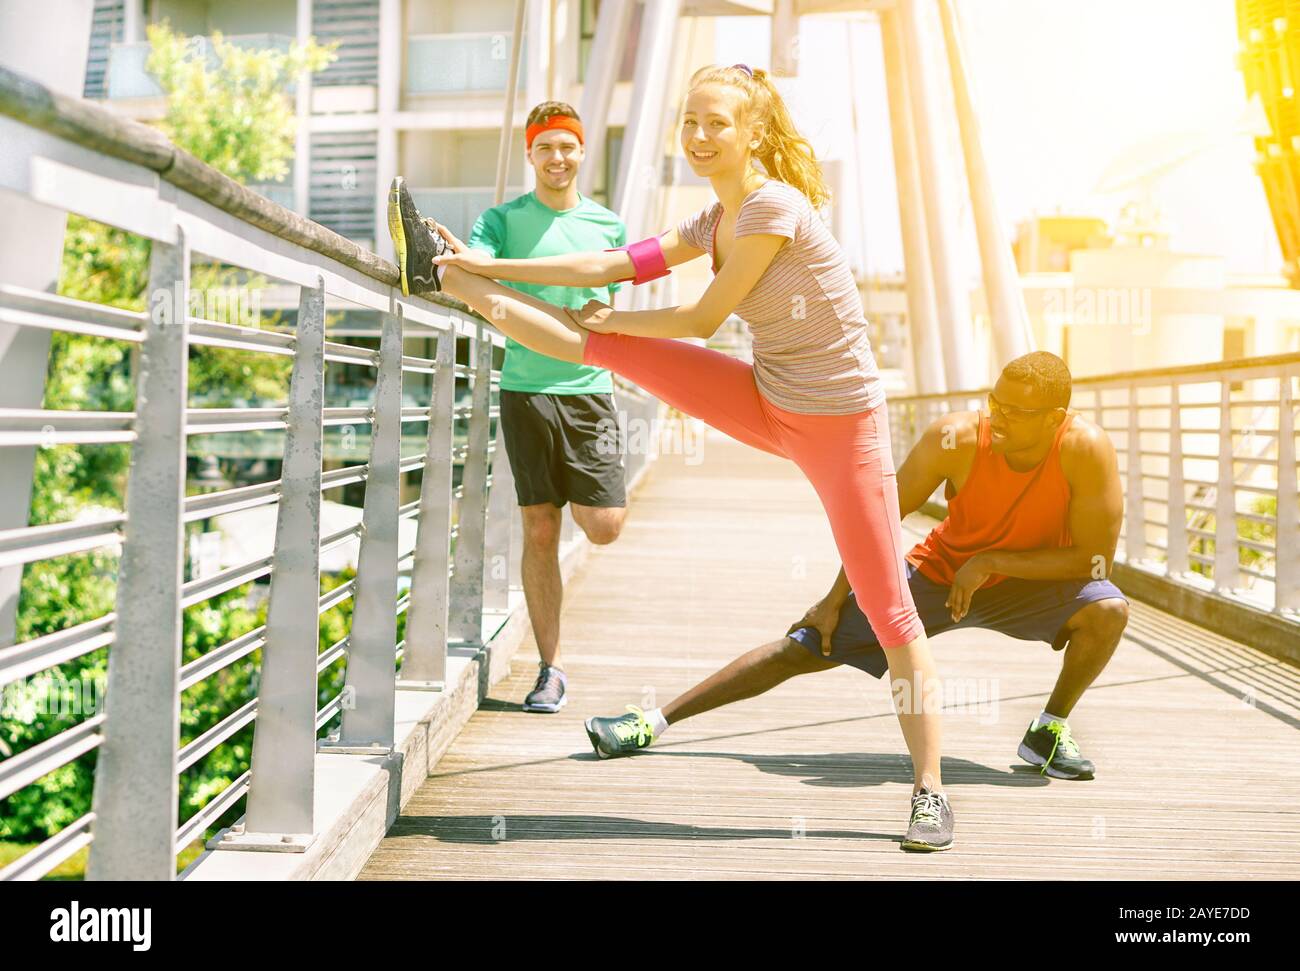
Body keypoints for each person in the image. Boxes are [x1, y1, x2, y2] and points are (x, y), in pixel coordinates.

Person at [387, 63, 952, 850]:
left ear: (754, 131)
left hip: (842, 427)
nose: (699, 136)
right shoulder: (711, 220)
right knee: (595, 342)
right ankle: (444, 277)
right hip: (768, 396)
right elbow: (607, 265)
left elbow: (701, 318)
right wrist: (487, 266)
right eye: (690, 121)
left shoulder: (772, 207)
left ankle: (929, 790)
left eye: (717, 122)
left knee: (890, 610)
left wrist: (615, 320)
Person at [585, 352, 1129, 783]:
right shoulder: (958, 439)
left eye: (1016, 411)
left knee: (1108, 609)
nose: (999, 417)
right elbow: (879, 519)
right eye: (995, 402)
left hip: (1025, 583)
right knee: (802, 648)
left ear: (1056, 418)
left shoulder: (1086, 450)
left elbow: (1094, 559)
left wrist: (990, 562)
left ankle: (1048, 730)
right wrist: (833, 599)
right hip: (938, 575)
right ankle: (653, 722)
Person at [441, 101, 629, 713]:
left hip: (589, 391)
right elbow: (474, 270)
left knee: (604, 525)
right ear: (530, 154)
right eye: (545, 146)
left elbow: (613, 307)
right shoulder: (500, 220)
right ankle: (551, 670)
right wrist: (452, 264)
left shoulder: (608, 226)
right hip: (524, 390)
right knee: (541, 528)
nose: (557, 157)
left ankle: (586, 495)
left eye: (567, 146)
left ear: (582, 153)